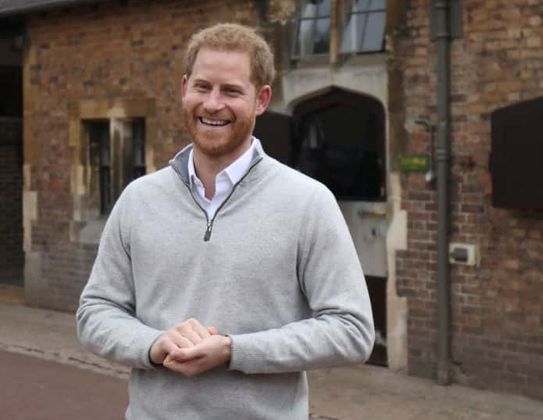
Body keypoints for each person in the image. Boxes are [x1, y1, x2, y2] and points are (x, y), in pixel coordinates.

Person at [76, 23, 374, 420]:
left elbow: (351, 330)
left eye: (231, 91)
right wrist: (154, 344)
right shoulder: (139, 199)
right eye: (202, 87)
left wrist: (235, 350)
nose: (213, 104)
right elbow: (96, 310)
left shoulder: (308, 202)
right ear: (185, 88)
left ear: (261, 99)